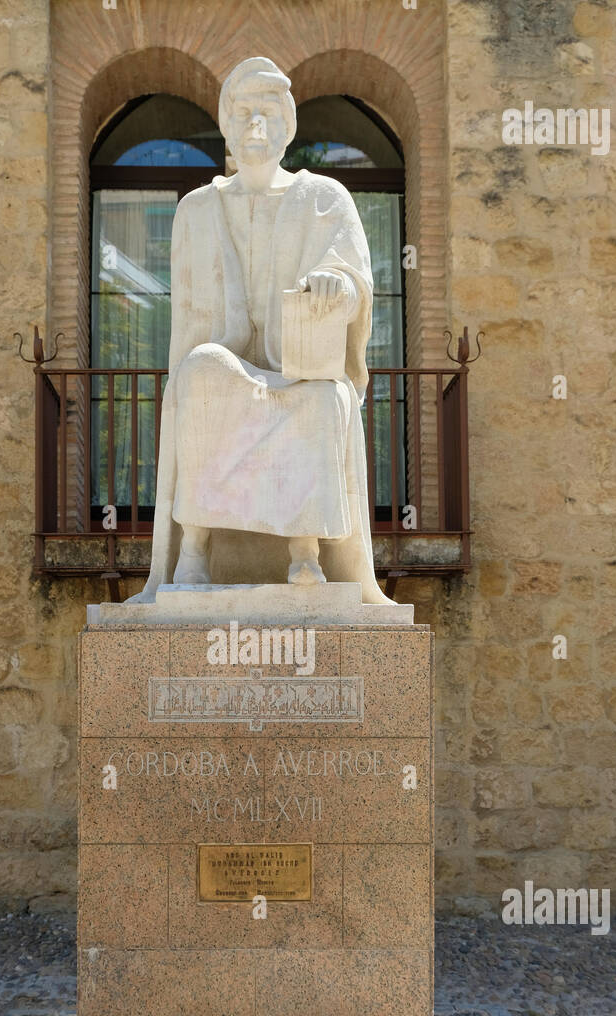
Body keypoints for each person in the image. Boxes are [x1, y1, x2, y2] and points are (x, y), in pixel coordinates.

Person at [128, 55, 392, 604]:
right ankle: (194, 553)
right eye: (244, 112)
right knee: (200, 373)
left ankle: (305, 555)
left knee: (322, 398)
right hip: (230, 366)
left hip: (295, 368)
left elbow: (356, 284)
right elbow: (190, 326)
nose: (255, 124)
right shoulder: (197, 210)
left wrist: (333, 287)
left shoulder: (324, 200)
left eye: (268, 113)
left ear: (287, 127)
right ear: (226, 123)